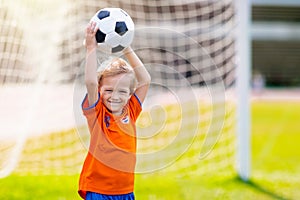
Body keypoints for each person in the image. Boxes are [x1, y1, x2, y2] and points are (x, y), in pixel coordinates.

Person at [78, 21, 151, 200]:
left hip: (125, 191)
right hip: (99, 191)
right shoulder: (97, 113)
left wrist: (126, 47)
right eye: (109, 90)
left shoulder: (131, 110)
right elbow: (91, 82)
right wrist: (90, 49)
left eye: (122, 91)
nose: (115, 96)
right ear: (100, 90)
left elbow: (145, 80)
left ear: (129, 94)